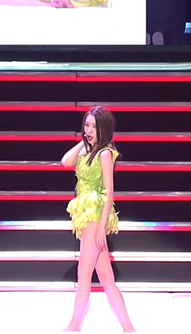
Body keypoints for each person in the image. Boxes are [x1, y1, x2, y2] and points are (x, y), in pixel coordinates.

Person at [60, 106, 135, 333]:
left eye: (94, 126)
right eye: (87, 125)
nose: (89, 130)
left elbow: (109, 192)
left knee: (84, 272)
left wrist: (102, 227)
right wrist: (84, 141)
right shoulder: (87, 151)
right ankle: (129, 329)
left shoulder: (104, 154)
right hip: (87, 214)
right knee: (106, 277)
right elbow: (65, 161)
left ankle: (74, 326)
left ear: (104, 129)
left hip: (95, 214)